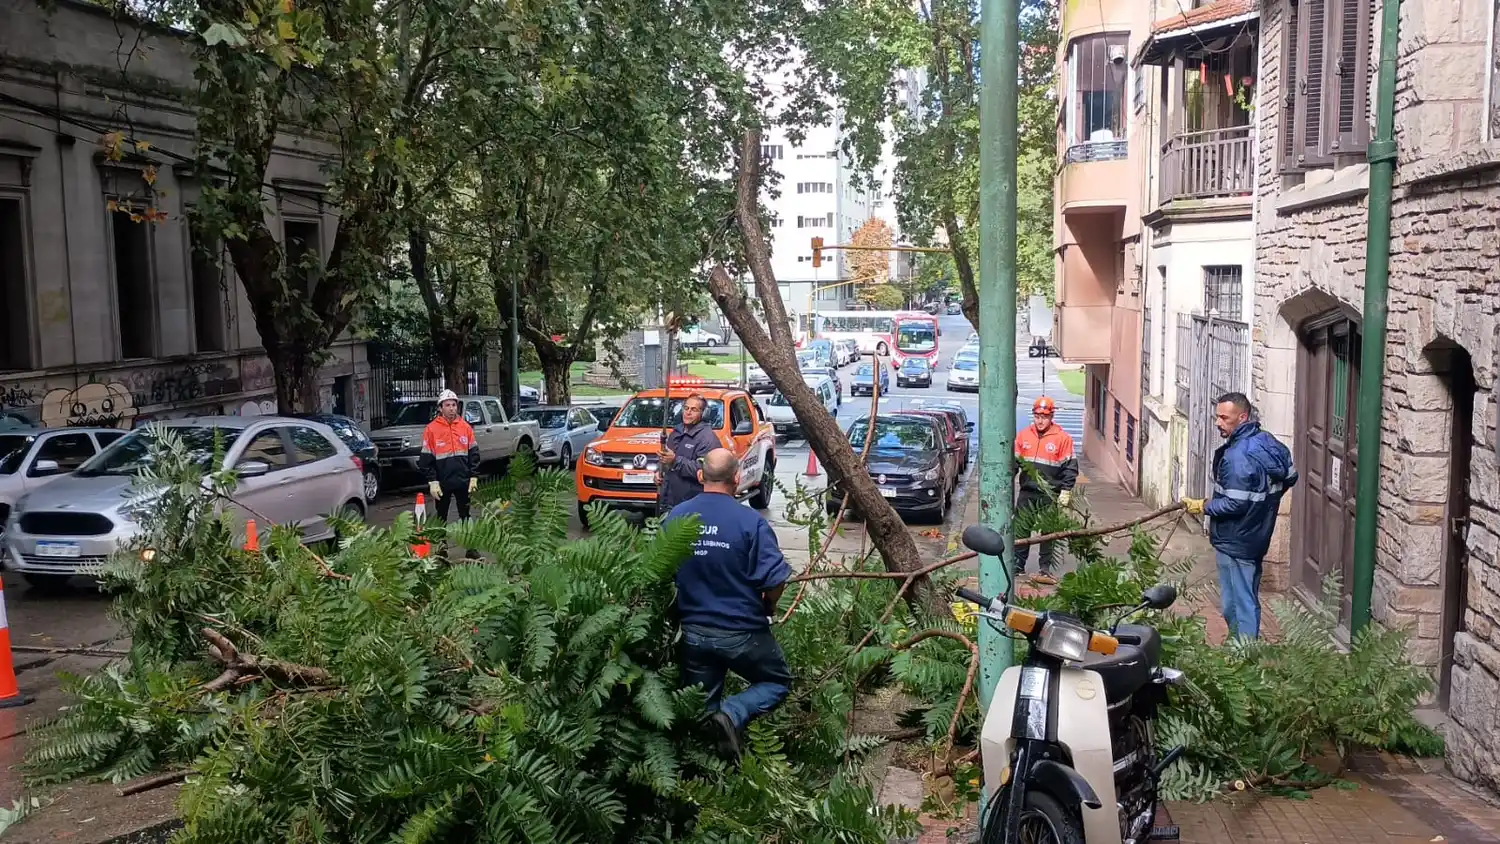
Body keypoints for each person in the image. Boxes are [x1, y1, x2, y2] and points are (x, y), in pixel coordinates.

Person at [666, 448, 793, 761]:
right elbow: (775, 580)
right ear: (737, 478)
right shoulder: (750, 523)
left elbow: (660, 572)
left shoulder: (676, 517)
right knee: (777, 681)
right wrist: (769, 606)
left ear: (700, 476)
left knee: (700, 709)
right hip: (742, 634)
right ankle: (733, 714)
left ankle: (705, 774)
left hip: (693, 633)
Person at [1181, 392, 1298, 639]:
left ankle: (1243, 653)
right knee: (1245, 596)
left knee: (1237, 602)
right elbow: (1290, 477)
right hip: (1256, 534)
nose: (1217, 423)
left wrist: (1202, 506)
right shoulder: (1268, 443)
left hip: (1234, 539)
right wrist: (1264, 505)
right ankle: (1240, 647)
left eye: (1224, 418)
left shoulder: (1237, 457)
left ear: (1242, 417)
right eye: (1217, 417)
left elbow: (1234, 504)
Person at [1013, 396, 1078, 584]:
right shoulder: (1024, 436)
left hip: (1050, 494)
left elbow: (1070, 467)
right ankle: (1018, 565)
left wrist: (1066, 490)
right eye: (1037, 416)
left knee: (1048, 533)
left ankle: (1044, 568)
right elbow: (1014, 463)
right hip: (1027, 492)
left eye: (1044, 416)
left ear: (1051, 417)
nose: (1040, 420)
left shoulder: (1062, 439)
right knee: (1021, 529)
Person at [419, 389, 481, 536]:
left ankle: (471, 548)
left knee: (465, 515)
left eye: (454, 405)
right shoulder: (431, 429)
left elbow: (474, 453)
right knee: (441, 517)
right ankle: (442, 550)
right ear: (440, 408)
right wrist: (432, 481)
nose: (452, 408)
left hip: (462, 480)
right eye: (448, 405)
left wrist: (474, 476)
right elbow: (426, 458)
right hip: (442, 482)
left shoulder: (465, 427)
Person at [657, 393, 721, 515]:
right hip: (667, 501)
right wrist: (659, 471)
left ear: (703, 413)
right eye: (686, 408)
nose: (688, 412)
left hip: (691, 505)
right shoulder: (675, 433)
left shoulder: (708, 439)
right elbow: (665, 459)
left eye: (694, 409)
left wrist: (675, 460)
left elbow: (704, 470)